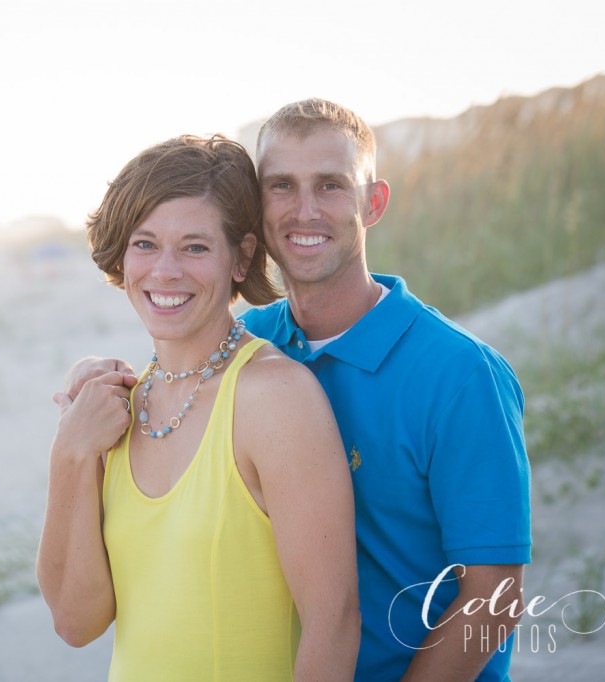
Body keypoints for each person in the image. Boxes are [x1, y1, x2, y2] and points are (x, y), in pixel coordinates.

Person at [64, 100, 532, 682]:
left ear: (373, 202)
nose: (304, 210)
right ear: (254, 213)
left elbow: (497, 595)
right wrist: (98, 376)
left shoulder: (459, 373)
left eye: (331, 185)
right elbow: (176, 393)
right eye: (281, 186)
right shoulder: (251, 344)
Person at [36, 134, 361, 681]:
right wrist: (71, 449)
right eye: (144, 244)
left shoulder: (276, 399)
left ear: (242, 257)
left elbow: (334, 622)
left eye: (194, 247)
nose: (164, 272)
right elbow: (76, 622)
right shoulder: (117, 408)